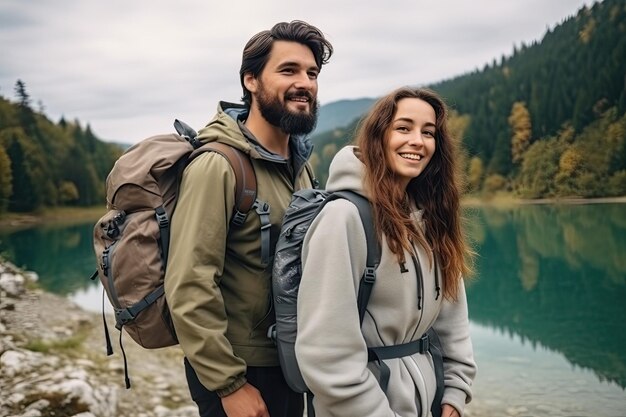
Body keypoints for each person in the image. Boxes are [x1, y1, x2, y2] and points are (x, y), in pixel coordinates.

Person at [164, 21, 333, 417]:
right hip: (241, 370)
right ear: (251, 80)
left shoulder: (299, 167)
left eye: (312, 73)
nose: (305, 83)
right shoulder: (218, 165)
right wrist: (229, 385)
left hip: (290, 360)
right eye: (289, 70)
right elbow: (188, 284)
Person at [295, 87, 477, 417]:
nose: (418, 141)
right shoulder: (344, 218)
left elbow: (453, 319)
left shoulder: (431, 218)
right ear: (379, 136)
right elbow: (326, 352)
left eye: (428, 132)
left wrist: (454, 392)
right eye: (403, 128)